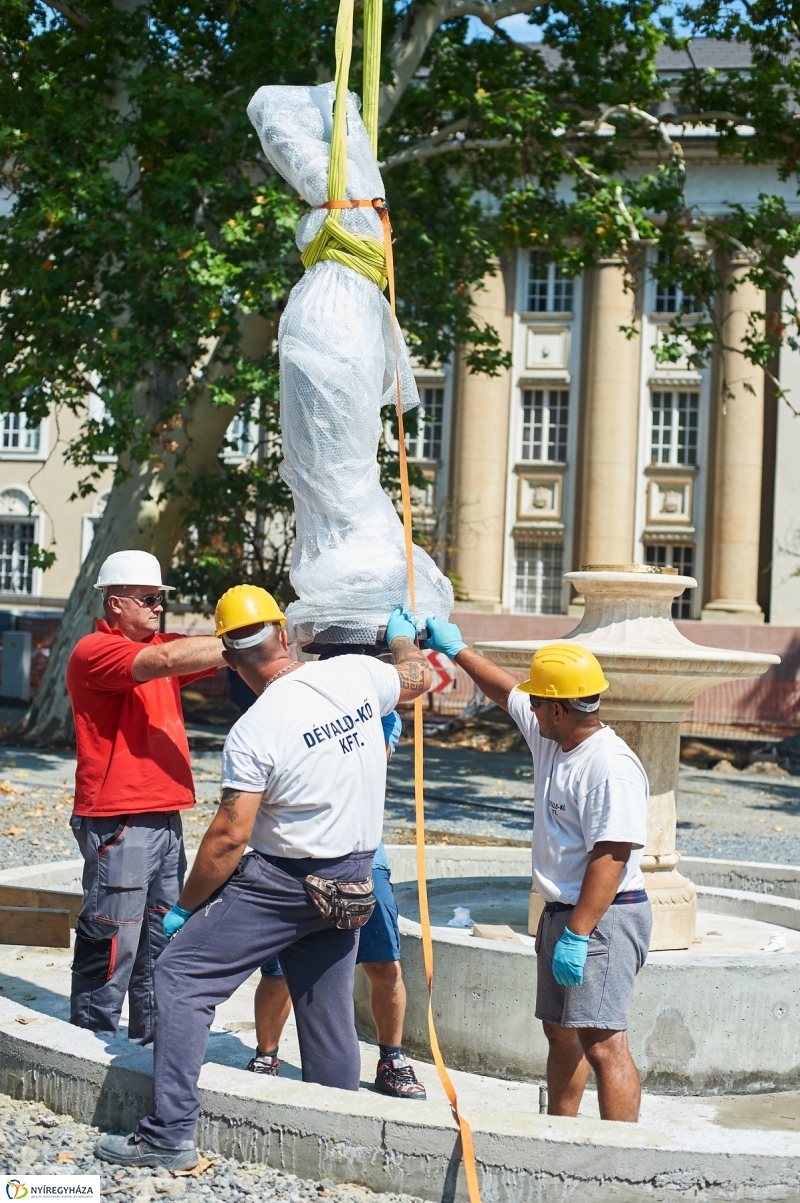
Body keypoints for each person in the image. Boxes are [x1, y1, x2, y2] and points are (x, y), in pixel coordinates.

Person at [95, 589, 430, 1170]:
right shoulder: (355, 675)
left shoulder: (258, 728)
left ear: (228, 657)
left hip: (283, 883)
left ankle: (169, 1135)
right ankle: (337, 1144)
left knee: (180, 976)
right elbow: (417, 675)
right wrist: (404, 635)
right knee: (326, 1011)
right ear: (284, 633)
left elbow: (229, 836)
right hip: (351, 883)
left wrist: (186, 909)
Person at [424, 619, 651, 1124]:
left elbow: (611, 858)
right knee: (561, 1031)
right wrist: (456, 648)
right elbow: (505, 690)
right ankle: (560, 1134)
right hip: (563, 913)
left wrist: (578, 933)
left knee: (602, 1041)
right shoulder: (555, 736)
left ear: (557, 708)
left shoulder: (608, 766)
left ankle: (620, 1158)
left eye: (537, 702)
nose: (528, 708)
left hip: (602, 917)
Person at [66, 550, 227, 1045]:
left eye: (161, 600)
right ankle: (90, 1038)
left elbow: (198, 654)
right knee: (115, 934)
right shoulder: (96, 650)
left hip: (161, 815)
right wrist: (248, 639)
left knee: (162, 934)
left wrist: (272, 635)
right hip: (119, 820)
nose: (159, 608)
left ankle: (151, 1038)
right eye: (149, 599)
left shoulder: (161, 646)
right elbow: (166, 660)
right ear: (116, 604)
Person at [248, 709, 426, 1100]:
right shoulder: (298, 702)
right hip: (293, 855)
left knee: (383, 964)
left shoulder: (380, 713)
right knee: (279, 970)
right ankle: (266, 1056)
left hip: (362, 856)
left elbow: (366, 760)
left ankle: (391, 1060)